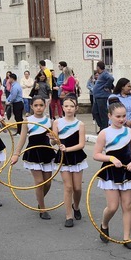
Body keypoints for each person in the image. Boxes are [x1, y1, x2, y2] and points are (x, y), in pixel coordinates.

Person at [92, 100, 131, 248]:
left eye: (124, 116)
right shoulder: (104, 133)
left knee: (127, 206)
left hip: (128, 172)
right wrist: (111, 158)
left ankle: (127, 238)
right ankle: (104, 224)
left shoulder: (130, 132)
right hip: (111, 172)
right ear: (110, 116)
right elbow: (96, 154)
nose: (121, 119)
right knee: (113, 206)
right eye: (118, 116)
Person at [11, 96, 57, 220]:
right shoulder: (27, 120)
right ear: (31, 107)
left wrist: (54, 139)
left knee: (47, 182)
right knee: (39, 182)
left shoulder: (50, 121)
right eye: (36, 105)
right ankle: (42, 208)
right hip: (33, 153)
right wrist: (16, 154)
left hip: (47, 152)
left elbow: (53, 142)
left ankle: (40, 199)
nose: (38, 108)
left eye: (41, 105)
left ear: (45, 106)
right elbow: (22, 139)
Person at [54, 95, 87, 227]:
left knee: (77, 188)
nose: (69, 109)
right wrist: (53, 139)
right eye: (66, 106)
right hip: (64, 157)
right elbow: (54, 142)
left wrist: (67, 149)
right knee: (68, 187)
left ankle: (76, 206)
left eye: (72, 106)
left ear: (76, 108)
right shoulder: (57, 122)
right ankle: (69, 216)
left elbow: (81, 144)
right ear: (62, 108)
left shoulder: (80, 124)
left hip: (76, 157)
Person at [90, 60, 115, 132]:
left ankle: (104, 129)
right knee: (95, 112)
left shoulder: (104, 73)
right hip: (98, 97)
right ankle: (102, 126)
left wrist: (106, 86)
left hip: (103, 97)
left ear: (98, 67)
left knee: (103, 114)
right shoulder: (101, 75)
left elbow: (111, 79)